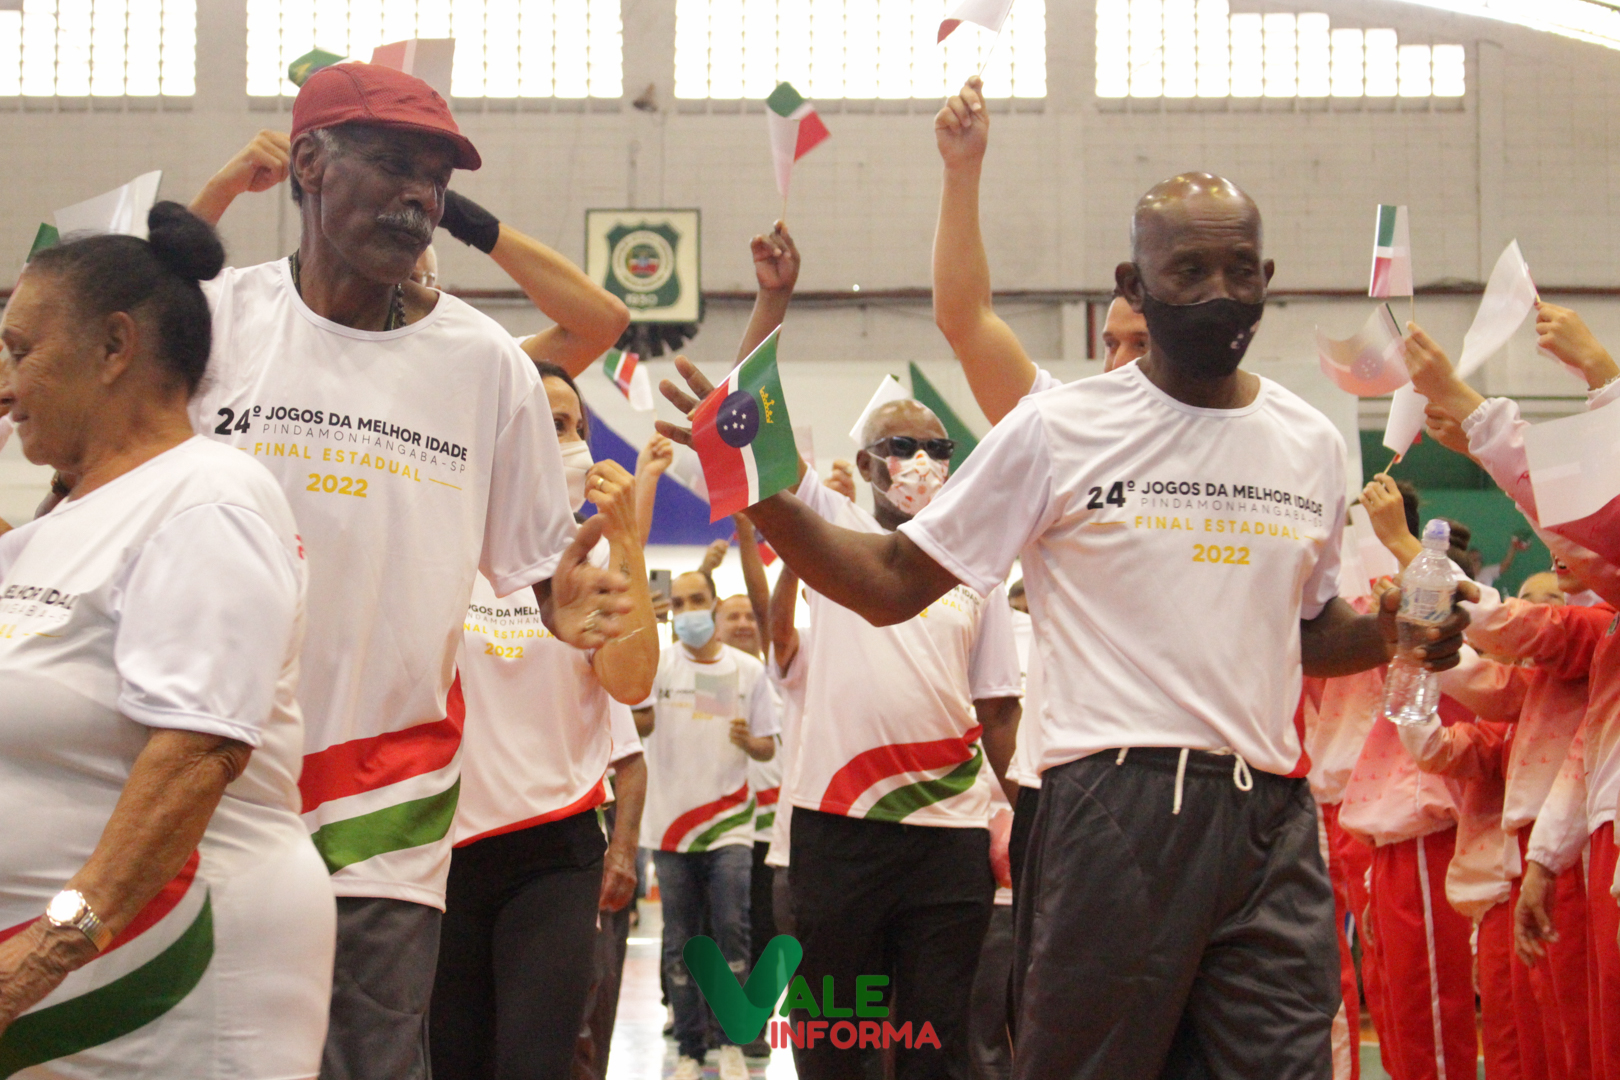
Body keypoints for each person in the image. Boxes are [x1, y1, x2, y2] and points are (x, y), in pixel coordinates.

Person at [659, 156, 1476, 1076]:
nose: (1219, 293)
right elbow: (891, 580)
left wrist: (1392, 633)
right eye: (1189, 271)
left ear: (1268, 279)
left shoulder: (1310, 443)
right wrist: (754, 490)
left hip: (1271, 825)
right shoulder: (1061, 429)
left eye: (1240, 270)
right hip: (1115, 812)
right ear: (1133, 284)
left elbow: (1307, 634)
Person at [183, 62, 636, 1080]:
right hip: (208, 779)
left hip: (385, 806)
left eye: (435, 179)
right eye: (392, 165)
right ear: (309, 163)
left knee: (370, 1062)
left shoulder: (488, 365)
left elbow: (538, 575)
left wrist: (568, 606)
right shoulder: (215, 326)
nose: (418, 198)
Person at [0, 204, 334, 1075]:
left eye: (21, 351)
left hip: (166, 974)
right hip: (66, 987)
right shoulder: (52, 529)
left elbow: (197, 753)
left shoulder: (208, 498)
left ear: (115, 347)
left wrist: (43, 953)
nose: (6, 384)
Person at [429, 363, 657, 1080]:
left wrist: (627, 540)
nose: (574, 443)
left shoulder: (591, 561)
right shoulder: (446, 541)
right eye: (553, 426)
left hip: (555, 852)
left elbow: (632, 680)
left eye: (577, 427)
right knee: (453, 1061)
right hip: (440, 849)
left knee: (536, 1062)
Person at [191, 129, 628, 377]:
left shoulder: (467, 360)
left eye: (415, 284)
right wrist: (222, 188)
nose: (387, 289)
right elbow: (159, 300)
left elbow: (601, 322)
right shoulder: (252, 326)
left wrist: (460, 214)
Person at [931, 75, 1148, 430]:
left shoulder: (1231, 434)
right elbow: (965, 319)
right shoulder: (1078, 429)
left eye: (1142, 345)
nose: (1119, 364)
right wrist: (961, 168)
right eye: (1111, 345)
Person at [634, 568, 778, 1080]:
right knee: (680, 942)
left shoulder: (748, 670)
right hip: (670, 829)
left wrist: (749, 742)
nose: (688, 610)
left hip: (731, 825)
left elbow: (768, 744)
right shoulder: (657, 665)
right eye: (679, 602)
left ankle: (732, 1042)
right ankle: (691, 1050)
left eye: (697, 599)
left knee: (732, 932)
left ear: (713, 603)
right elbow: (636, 720)